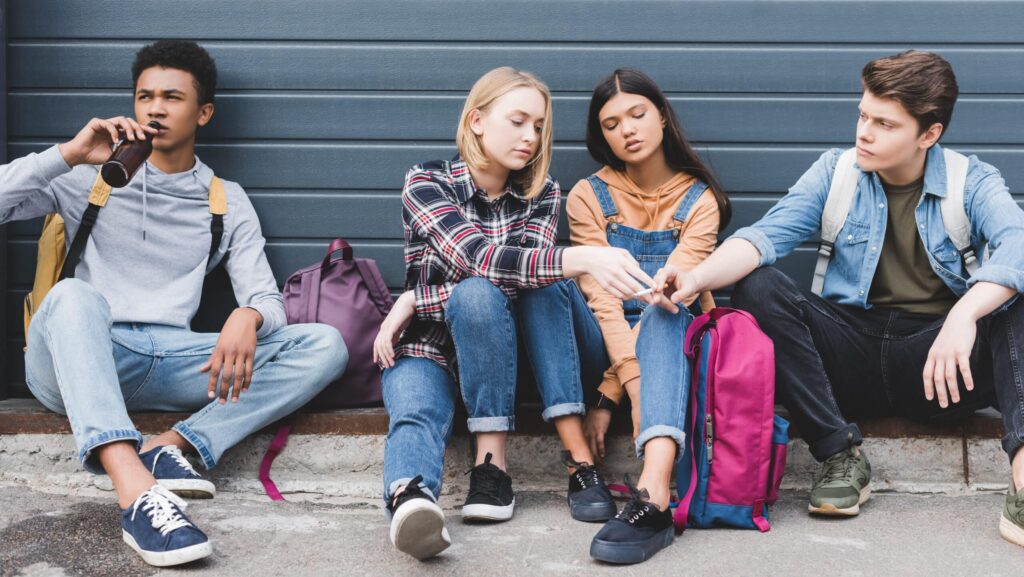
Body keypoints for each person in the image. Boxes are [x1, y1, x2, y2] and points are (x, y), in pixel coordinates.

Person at [647, 50, 1024, 548]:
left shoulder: (970, 180)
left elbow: (1017, 243)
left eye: (885, 124)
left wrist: (965, 313)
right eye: (863, 115)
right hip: (851, 357)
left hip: (938, 367)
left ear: (928, 134)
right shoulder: (837, 171)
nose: (864, 132)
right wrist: (695, 277)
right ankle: (839, 454)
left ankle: (1022, 480)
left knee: (1016, 304)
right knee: (759, 285)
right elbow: (764, 237)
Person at [0, 40, 347, 566]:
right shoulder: (82, 178)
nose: (155, 108)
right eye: (144, 97)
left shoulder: (224, 198)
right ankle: (136, 493)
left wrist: (247, 315)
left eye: (172, 97)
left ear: (203, 112)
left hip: (173, 358)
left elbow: (266, 297)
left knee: (325, 344)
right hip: (79, 356)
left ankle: (173, 445)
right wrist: (69, 154)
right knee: (72, 296)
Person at [375, 66, 658, 561]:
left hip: (510, 357)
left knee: (504, 290)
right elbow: (476, 258)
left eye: (539, 126)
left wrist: (416, 298)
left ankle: (494, 467)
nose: (530, 137)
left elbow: (517, 288)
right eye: (518, 121)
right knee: (414, 411)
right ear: (478, 120)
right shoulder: (426, 181)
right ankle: (411, 502)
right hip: (431, 347)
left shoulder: (542, 194)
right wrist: (581, 257)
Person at [566, 68, 729, 564]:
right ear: (602, 136)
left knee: (665, 302)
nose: (628, 130)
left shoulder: (701, 201)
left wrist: (609, 394)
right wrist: (633, 386)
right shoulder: (587, 197)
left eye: (637, 114)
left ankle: (653, 498)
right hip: (603, 341)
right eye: (612, 124)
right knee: (556, 289)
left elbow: (679, 291)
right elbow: (602, 302)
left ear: (661, 115)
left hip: (673, 342)